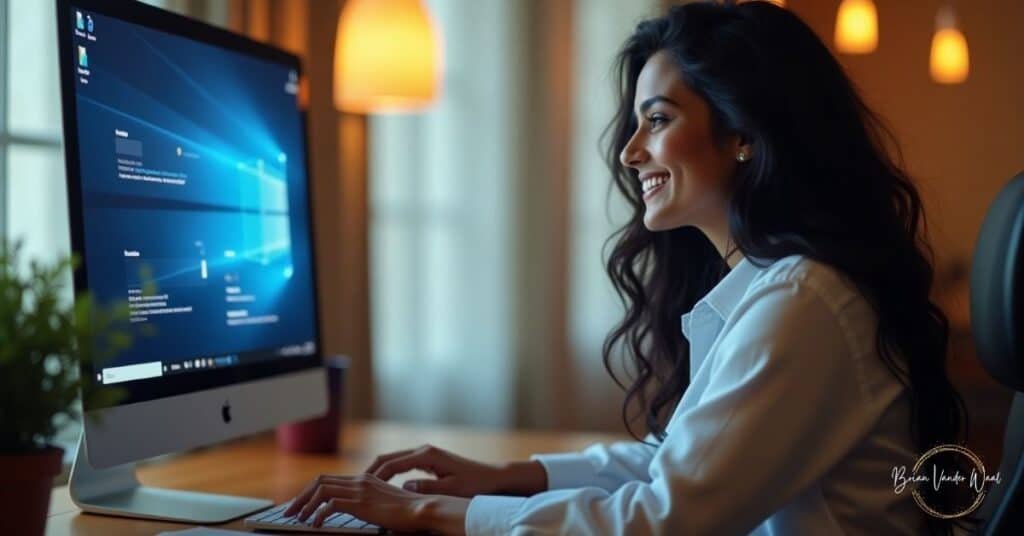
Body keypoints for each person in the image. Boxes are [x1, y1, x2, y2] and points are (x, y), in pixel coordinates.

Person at [283, 1, 971, 534]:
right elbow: (677, 464)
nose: (630, 151)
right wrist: (503, 477)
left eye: (658, 119)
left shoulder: (805, 304)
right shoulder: (779, 288)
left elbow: (665, 519)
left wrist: (434, 513)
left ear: (742, 136)